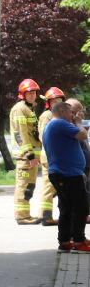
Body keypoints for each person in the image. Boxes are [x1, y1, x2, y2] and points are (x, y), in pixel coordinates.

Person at [42, 99, 90, 252]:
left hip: (65, 173)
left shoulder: (53, 125)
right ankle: (78, 240)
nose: (73, 116)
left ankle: (65, 241)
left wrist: (78, 170)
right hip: (67, 174)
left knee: (68, 208)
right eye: (71, 113)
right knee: (81, 207)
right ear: (62, 111)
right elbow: (83, 135)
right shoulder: (60, 124)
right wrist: (78, 122)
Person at [10, 79, 43, 224]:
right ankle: (22, 216)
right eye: (29, 93)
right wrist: (29, 155)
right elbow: (20, 134)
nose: (32, 95)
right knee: (24, 186)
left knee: (29, 186)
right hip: (25, 157)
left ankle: (25, 214)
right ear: (22, 94)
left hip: (30, 157)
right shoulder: (20, 109)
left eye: (34, 92)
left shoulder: (29, 109)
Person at [36, 86, 66, 224]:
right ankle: (46, 217)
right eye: (54, 101)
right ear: (48, 103)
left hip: (56, 156)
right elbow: (44, 136)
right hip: (50, 156)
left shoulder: (59, 116)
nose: (57, 104)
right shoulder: (46, 116)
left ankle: (43, 213)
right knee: (49, 186)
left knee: (54, 186)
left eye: (59, 101)